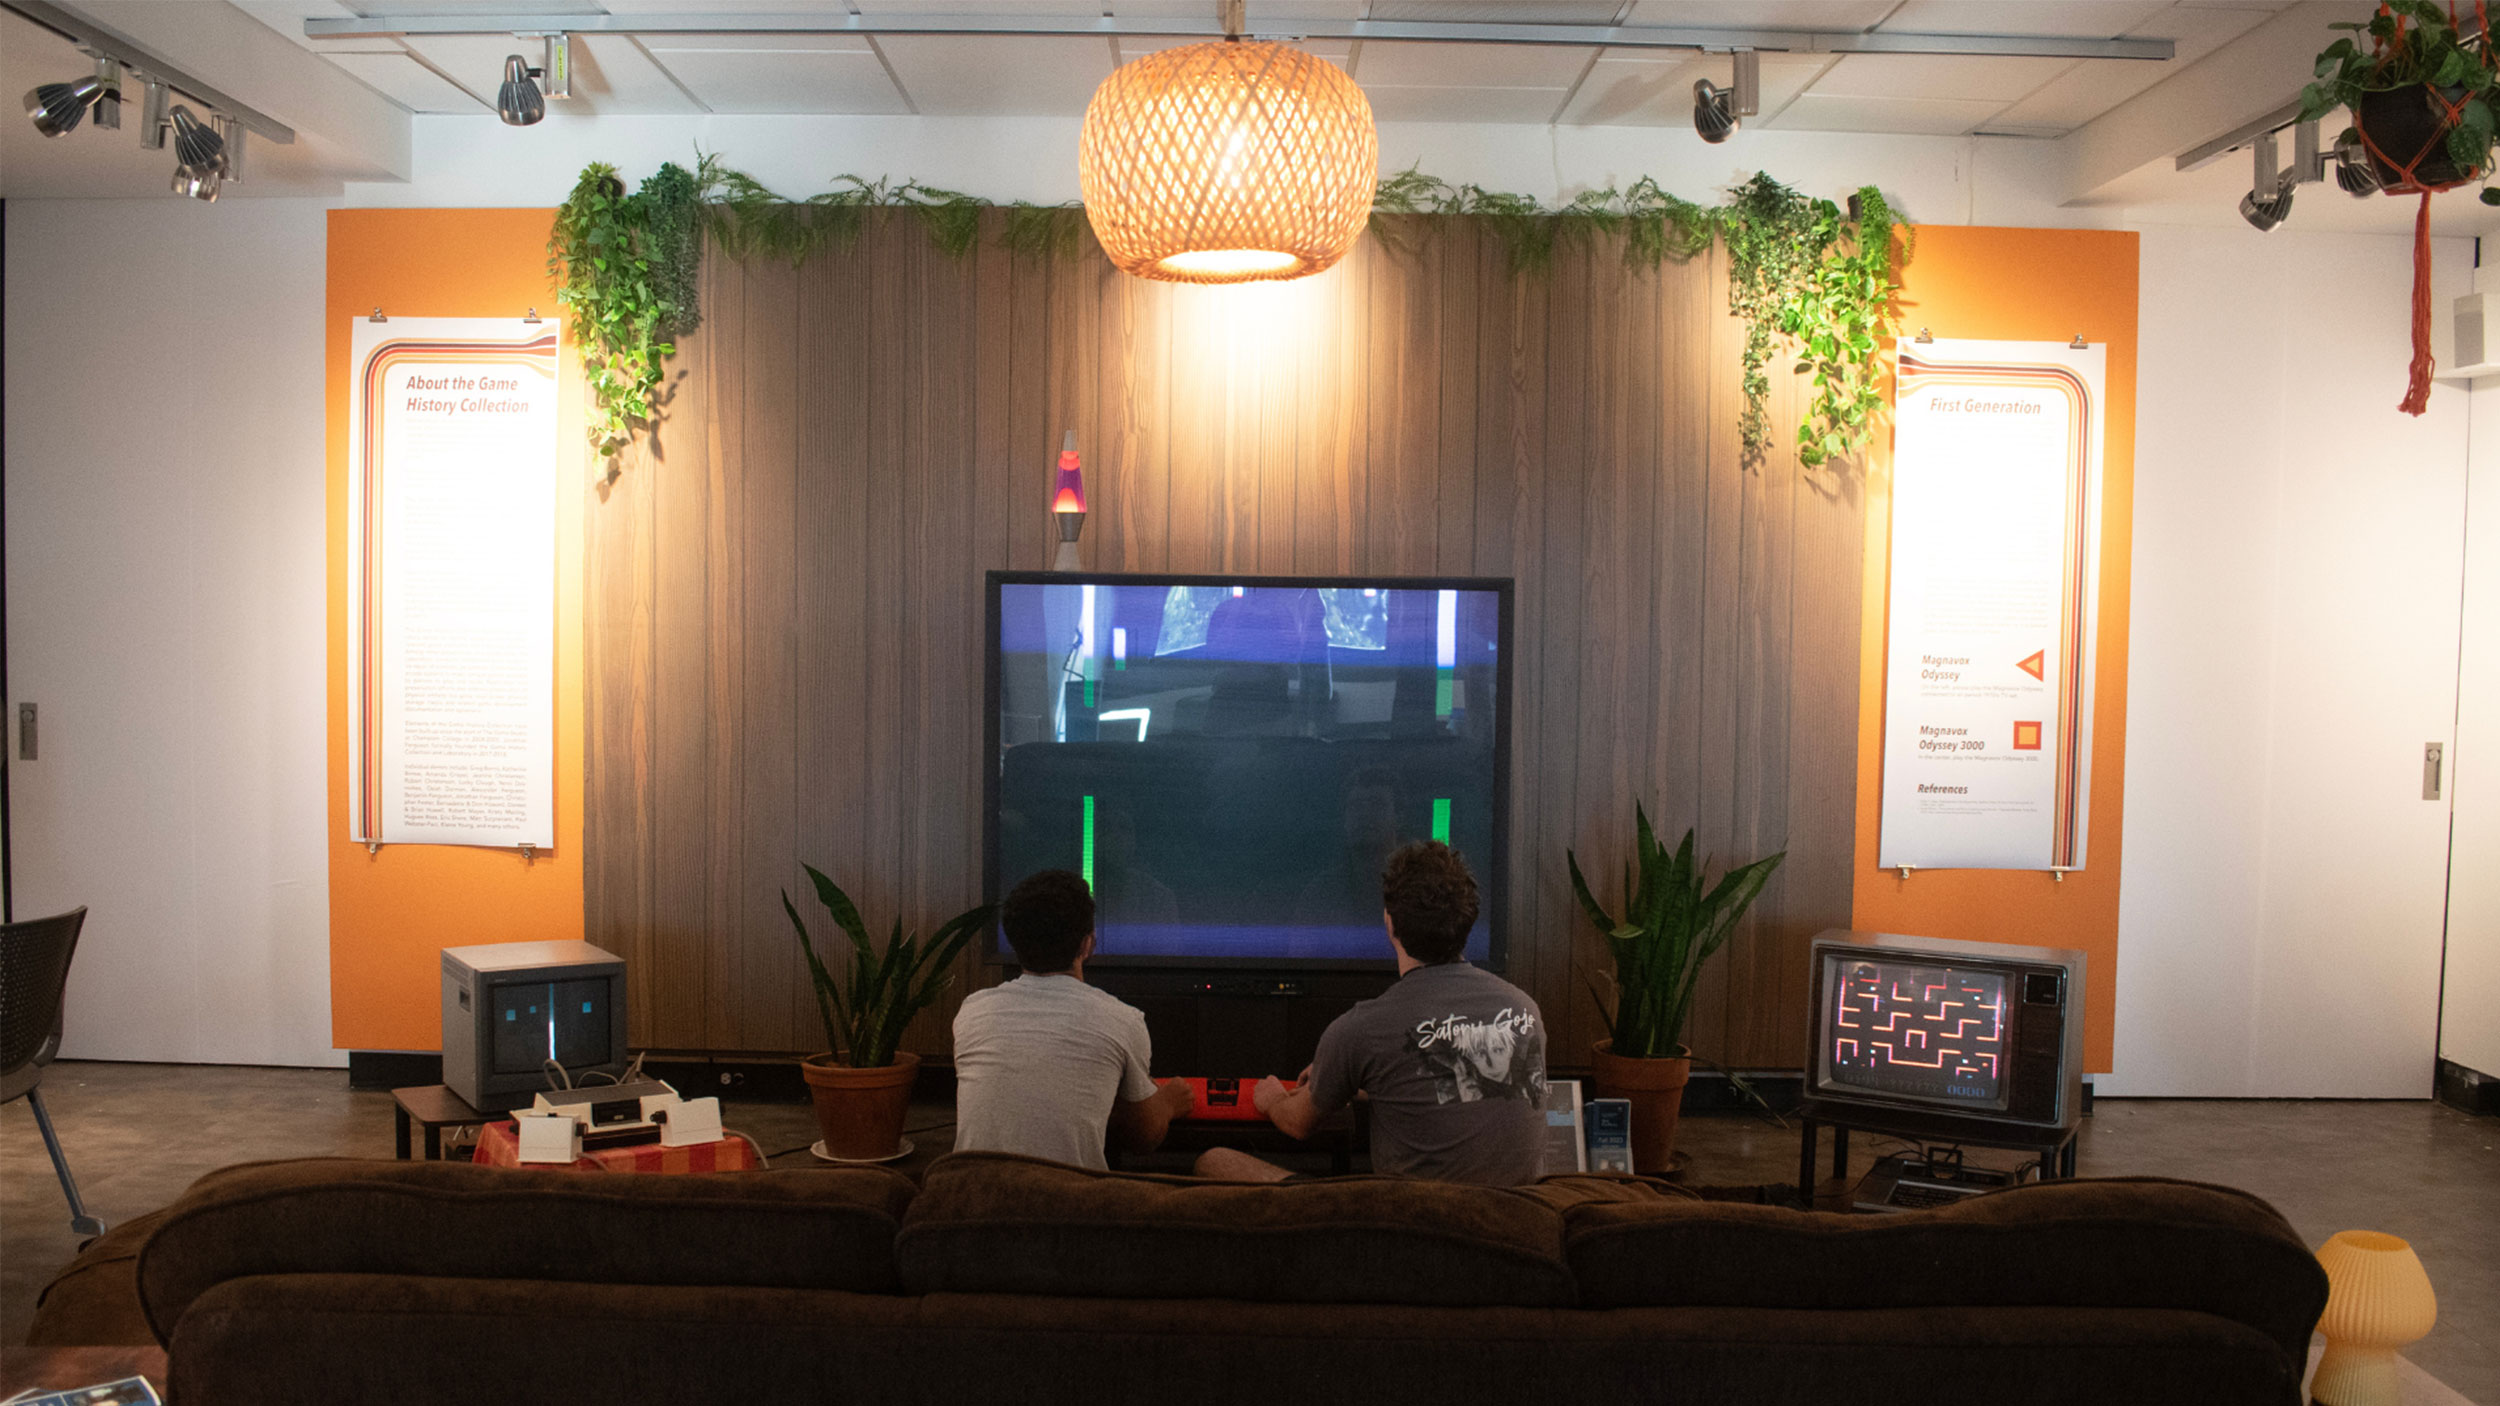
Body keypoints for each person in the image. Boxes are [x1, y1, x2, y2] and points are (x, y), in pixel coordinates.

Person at [1197, 841, 1548, 1186]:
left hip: (1416, 1230)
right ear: (1468, 921)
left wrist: (1272, 1100)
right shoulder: (1522, 1009)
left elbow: (1298, 1124)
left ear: (1389, 923)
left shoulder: (1363, 1028)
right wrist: (1354, 1082)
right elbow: (1468, 1079)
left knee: (1214, 1161)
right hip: (1511, 1226)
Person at [952, 869, 1195, 1169]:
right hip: (1067, 1207)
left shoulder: (971, 1012)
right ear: (1087, 944)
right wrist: (1170, 1103)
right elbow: (1143, 1139)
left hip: (964, 1202)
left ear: (1014, 941)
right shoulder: (1122, 1020)